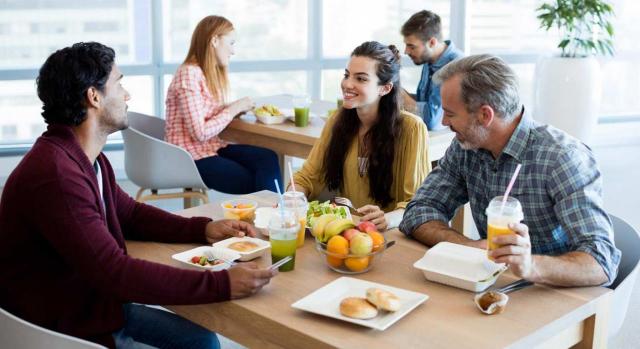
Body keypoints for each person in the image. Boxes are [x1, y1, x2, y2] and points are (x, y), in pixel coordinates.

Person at [0, 42, 278, 349]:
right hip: (63, 330)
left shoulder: (83, 157)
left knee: (202, 341)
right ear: (94, 97)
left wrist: (203, 228)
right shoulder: (57, 175)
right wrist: (221, 283)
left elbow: (130, 213)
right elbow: (115, 272)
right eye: (119, 84)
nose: (127, 95)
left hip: (91, 307)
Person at [400, 54, 621, 287]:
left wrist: (530, 265)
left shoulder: (563, 158)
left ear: (485, 115)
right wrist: (467, 246)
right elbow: (419, 210)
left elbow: (601, 262)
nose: (444, 122)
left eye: (451, 113)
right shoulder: (466, 146)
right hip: (494, 285)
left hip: (551, 291)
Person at [290, 41, 431, 231]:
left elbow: (416, 203)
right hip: (350, 231)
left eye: (361, 79)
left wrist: (388, 219)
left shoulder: (412, 129)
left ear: (385, 88)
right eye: (347, 75)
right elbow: (306, 177)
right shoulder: (336, 121)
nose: (348, 84)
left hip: (393, 235)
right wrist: (292, 198)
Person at [165, 15, 282, 194]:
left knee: (267, 158)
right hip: (190, 158)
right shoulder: (189, 74)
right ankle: (274, 217)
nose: (233, 51)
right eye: (231, 43)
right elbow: (200, 133)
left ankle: (273, 216)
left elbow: (205, 113)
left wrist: (236, 108)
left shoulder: (203, 73)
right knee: (257, 182)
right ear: (214, 40)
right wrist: (233, 108)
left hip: (211, 148)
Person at [400, 10, 463, 130]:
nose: (406, 51)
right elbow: (423, 102)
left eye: (411, 46)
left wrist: (400, 94)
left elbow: (432, 120)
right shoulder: (429, 59)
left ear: (432, 42)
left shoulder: (455, 67)